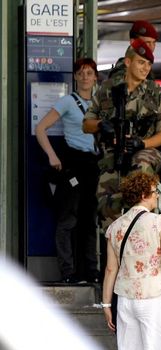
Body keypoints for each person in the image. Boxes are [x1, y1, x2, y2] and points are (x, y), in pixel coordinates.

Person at [83, 39, 161, 229]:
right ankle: (114, 250)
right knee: (107, 212)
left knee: (140, 167)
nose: (146, 68)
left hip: (145, 151)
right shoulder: (107, 89)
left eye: (149, 64)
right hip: (112, 155)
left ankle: (140, 229)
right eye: (141, 62)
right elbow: (86, 125)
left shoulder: (156, 93)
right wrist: (102, 124)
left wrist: (143, 144)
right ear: (128, 62)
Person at [101, 172, 161, 350]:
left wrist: (106, 304)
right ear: (144, 194)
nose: (157, 198)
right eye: (155, 193)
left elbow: (110, 269)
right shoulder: (160, 222)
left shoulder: (114, 227)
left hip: (125, 299)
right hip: (153, 296)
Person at [35, 58, 100, 284]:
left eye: (89, 73)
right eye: (81, 73)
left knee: (90, 220)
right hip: (74, 164)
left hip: (95, 165)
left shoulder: (102, 103)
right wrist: (52, 156)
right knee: (68, 219)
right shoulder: (67, 102)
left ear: (95, 78)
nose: (85, 77)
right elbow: (40, 128)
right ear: (74, 77)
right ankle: (68, 273)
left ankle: (91, 271)